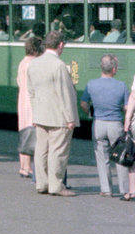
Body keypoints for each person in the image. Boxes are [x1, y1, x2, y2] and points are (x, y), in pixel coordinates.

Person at [26, 30, 79, 196]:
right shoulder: (59, 66)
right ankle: (56, 186)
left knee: (41, 150)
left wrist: (35, 113)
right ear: (61, 45)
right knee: (58, 152)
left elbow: (31, 92)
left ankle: (42, 183)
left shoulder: (34, 64)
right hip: (59, 117)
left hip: (41, 115)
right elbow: (65, 93)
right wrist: (70, 118)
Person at [79, 54, 129, 198]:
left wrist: (91, 113)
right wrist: (119, 108)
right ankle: (124, 189)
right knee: (120, 156)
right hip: (115, 124)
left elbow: (83, 104)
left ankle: (106, 189)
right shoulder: (121, 86)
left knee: (102, 157)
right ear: (114, 69)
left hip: (98, 124)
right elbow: (127, 107)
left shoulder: (91, 84)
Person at [16, 36, 43, 178]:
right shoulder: (33, 64)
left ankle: (23, 166)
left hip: (22, 101)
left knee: (24, 134)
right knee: (31, 134)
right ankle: (27, 167)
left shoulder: (23, 62)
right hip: (31, 102)